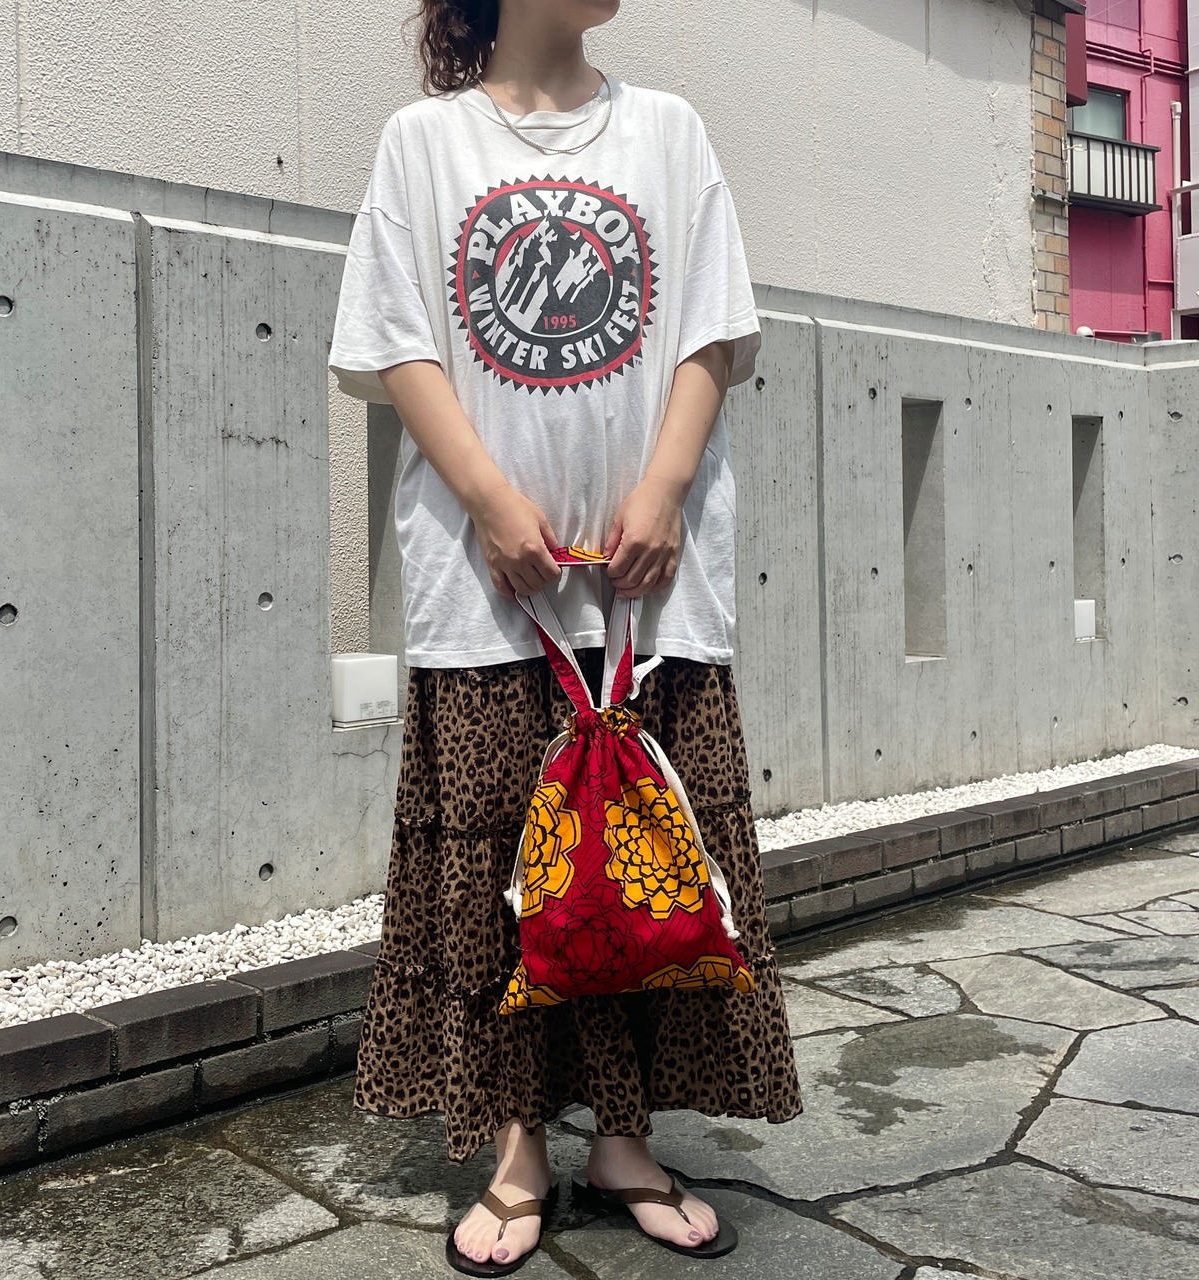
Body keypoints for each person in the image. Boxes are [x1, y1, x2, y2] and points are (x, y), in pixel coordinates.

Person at [329, 1, 802, 1273]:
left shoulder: (667, 131)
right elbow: (396, 343)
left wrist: (664, 488)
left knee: (646, 874)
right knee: (501, 875)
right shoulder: (424, 143)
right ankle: (517, 1144)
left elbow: (708, 331)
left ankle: (626, 1139)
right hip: (490, 591)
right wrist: (488, 501)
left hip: (648, 587)